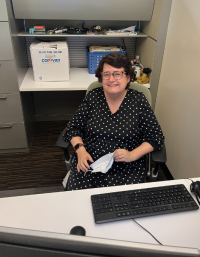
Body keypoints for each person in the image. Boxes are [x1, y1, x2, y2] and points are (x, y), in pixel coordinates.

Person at [63, 53, 164, 191]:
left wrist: (132, 155)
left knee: (123, 206)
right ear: (101, 77)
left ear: (128, 77)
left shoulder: (138, 100)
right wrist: (80, 150)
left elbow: (156, 137)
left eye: (117, 74)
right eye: (106, 74)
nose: (111, 79)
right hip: (90, 162)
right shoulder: (93, 97)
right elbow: (73, 128)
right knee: (78, 202)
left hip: (126, 165)